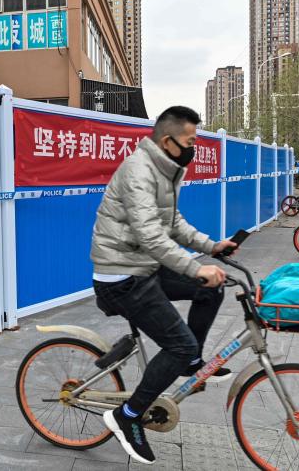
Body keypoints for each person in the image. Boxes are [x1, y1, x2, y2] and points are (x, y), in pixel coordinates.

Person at [90, 106, 236, 464]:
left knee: (209, 290)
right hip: (121, 276)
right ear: (168, 141)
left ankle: (188, 362)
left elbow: (173, 224)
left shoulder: (166, 170)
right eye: (190, 141)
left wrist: (210, 246)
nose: (194, 147)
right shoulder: (139, 172)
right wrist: (195, 268)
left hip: (143, 268)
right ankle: (127, 417)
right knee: (181, 342)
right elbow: (151, 237)